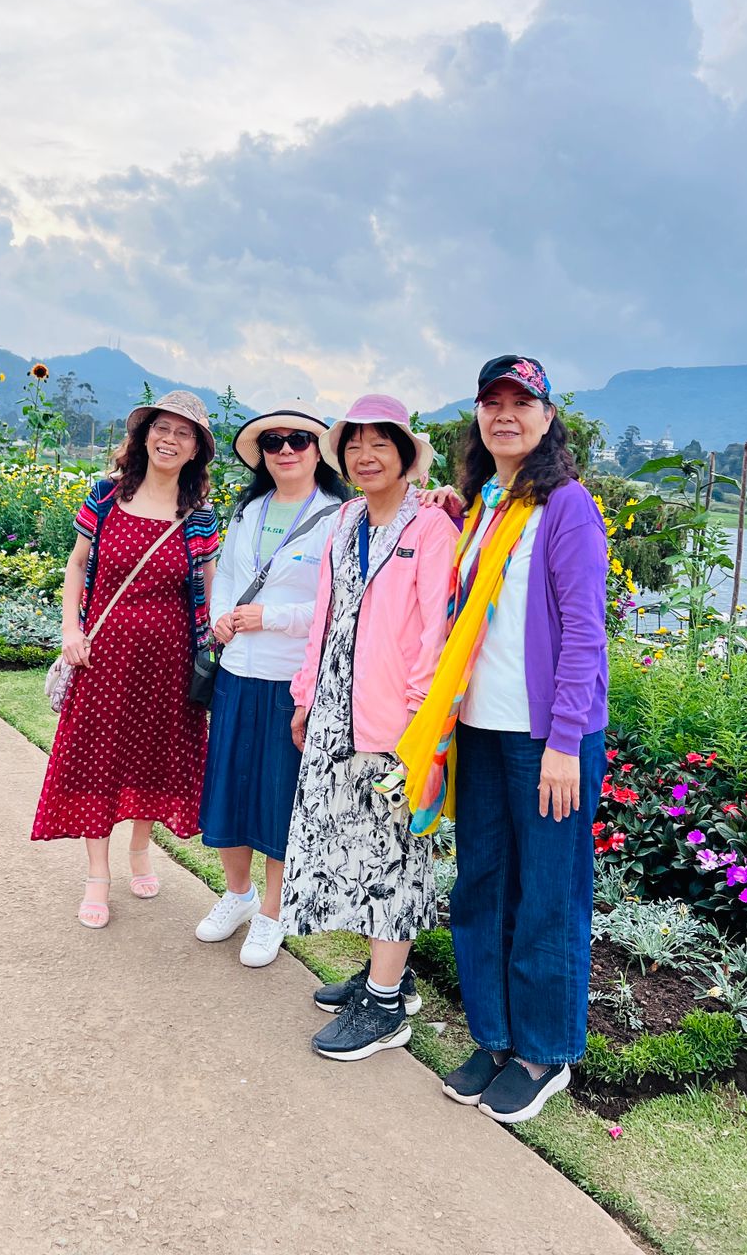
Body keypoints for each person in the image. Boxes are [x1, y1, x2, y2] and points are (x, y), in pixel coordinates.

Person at [400, 356, 608, 1124]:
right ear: (479, 418)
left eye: (523, 402)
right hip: (480, 732)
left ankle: (543, 1054)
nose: (506, 415)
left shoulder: (566, 507)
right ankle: (493, 1038)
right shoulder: (487, 506)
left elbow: (585, 631)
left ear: (548, 419)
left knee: (548, 892)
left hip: (547, 738)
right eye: (493, 403)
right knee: (481, 886)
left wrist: (564, 742)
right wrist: (451, 507)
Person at [280, 394, 458, 1061]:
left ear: (406, 456)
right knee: (352, 847)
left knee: (393, 856)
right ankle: (392, 978)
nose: (365, 455)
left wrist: (418, 723)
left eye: (381, 443)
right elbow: (326, 616)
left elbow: (436, 634)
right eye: (355, 443)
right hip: (334, 710)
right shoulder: (347, 519)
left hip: (396, 722)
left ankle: (384, 1008)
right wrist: (305, 695)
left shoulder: (431, 528)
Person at [31, 390, 221, 929]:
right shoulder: (106, 495)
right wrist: (71, 629)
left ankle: (140, 848)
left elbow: (209, 592)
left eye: (183, 433)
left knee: (152, 755)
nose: (170, 439)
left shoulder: (200, 516)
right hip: (103, 656)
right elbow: (76, 565)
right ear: (143, 436)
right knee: (99, 756)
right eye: (161, 427)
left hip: (169, 661)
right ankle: (98, 874)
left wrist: (211, 652)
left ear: (196, 450)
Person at [195, 402, 349, 967]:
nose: (286, 450)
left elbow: (336, 604)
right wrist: (219, 615)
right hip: (237, 671)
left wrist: (271, 617)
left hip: (291, 680)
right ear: (261, 455)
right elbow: (227, 576)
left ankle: (272, 912)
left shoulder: (338, 517)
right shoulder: (248, 511)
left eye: (299, 440)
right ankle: (238, 894)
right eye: (273, 442)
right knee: (229, 787)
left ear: (319, 452)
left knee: (279, 795)